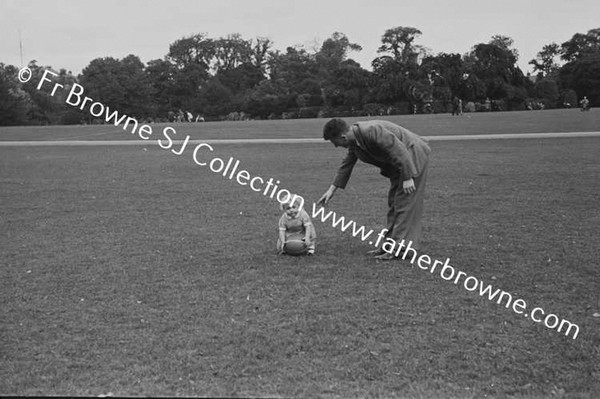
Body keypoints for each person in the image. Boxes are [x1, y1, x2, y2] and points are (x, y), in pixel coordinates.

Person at [317, 119, 431, 261]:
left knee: (404, 204)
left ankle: (399, 249)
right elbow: (347, 164)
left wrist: (408, 177)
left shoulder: (371, 131)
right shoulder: (355, 141)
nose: (336, 146)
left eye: (335, 143)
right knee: (393, 204)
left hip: (412, 158)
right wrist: (332, 190)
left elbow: (398, 149)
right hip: (398, 166)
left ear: (343, 138)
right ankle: (389, 246)